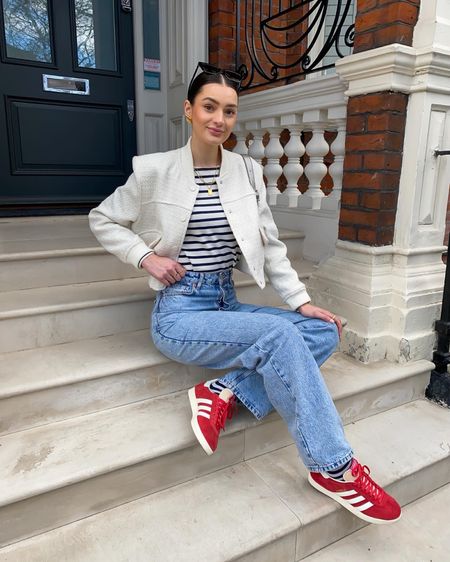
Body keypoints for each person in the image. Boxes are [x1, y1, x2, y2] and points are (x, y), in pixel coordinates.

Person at [89, 61, 401, 525]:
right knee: (280, 341)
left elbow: (272, 246)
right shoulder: (154, 171)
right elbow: (102, 218)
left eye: (229, 111)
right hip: (181, 313)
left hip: (225, 301)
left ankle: (225, 390)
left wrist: (301, 302)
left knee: (324, 332)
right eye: (210, 107)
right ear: (189, 110)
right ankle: (333, 467)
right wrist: (145, 257)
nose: (219, 119)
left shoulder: (246, 172)